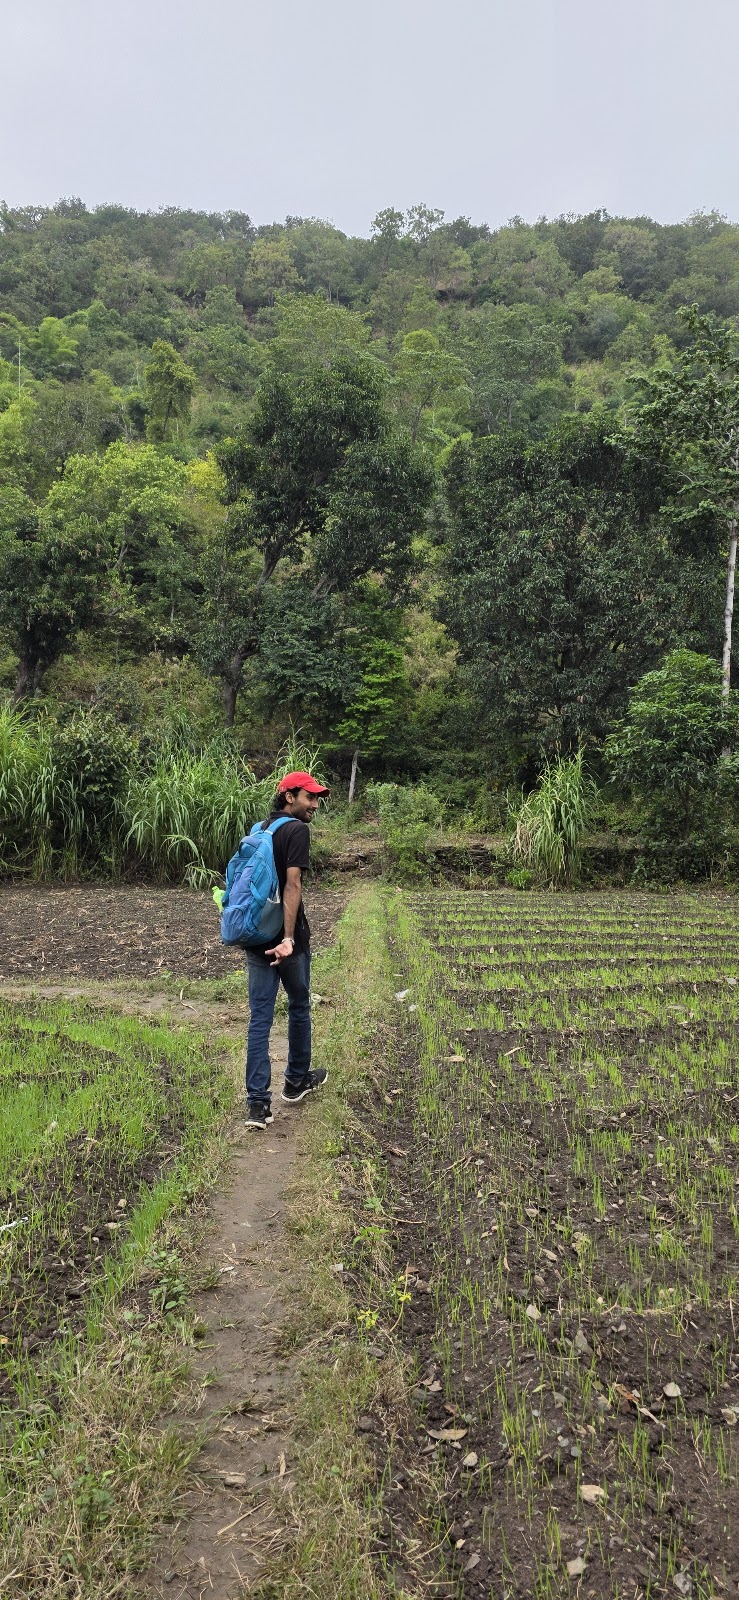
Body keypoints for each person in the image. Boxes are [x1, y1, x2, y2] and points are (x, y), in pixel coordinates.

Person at [244, 771, 330, 1130]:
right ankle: (295, 1082)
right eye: (309, 797)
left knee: (260, 1018)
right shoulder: (296, 830)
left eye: (317, 798)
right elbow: (292, 884)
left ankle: (257, 1105)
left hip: (256, 938)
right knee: (298, 1005)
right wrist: (289, 938)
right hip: (286, 941)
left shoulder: (258, 829)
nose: (315, 804)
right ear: (289, 796)